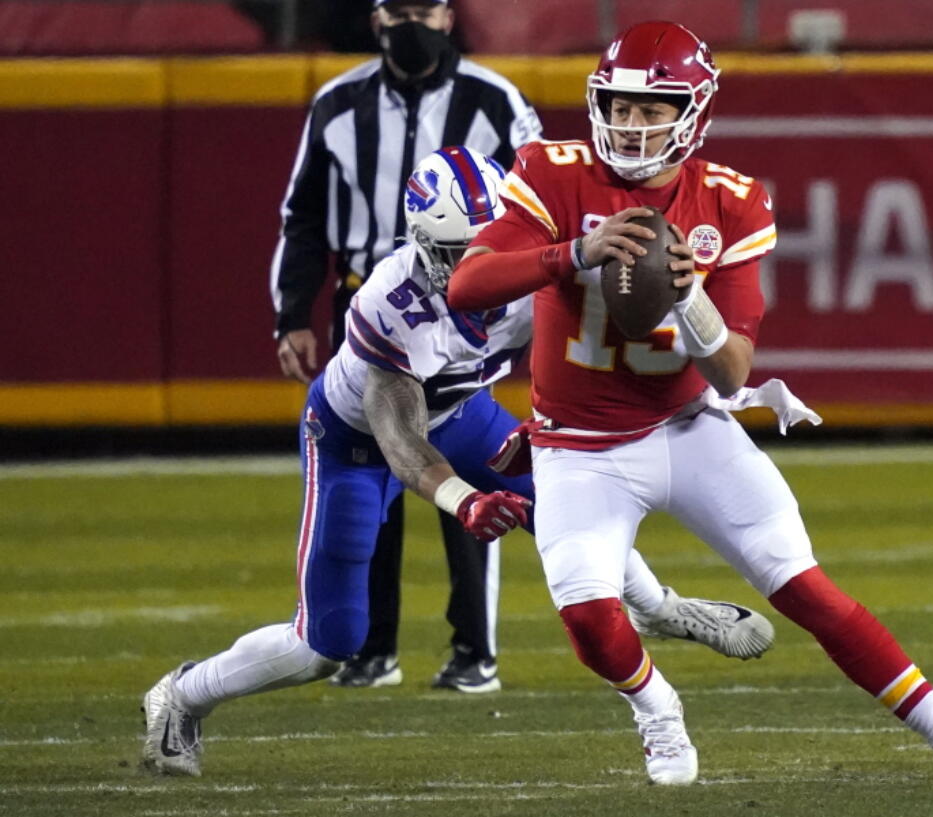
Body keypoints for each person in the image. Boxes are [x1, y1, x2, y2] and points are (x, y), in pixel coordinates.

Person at [447, 21, 933, 786]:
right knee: (589, 617)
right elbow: (468, 284)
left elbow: (730, 372)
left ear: (694, 114)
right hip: (578, 445)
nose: (630, 124)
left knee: (804, 587)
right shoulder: (554, 174)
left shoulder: (731, 202)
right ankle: (658, 709)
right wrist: (573, 253)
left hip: (688, 429)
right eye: (619, 106)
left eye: (652, 110)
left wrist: (689, 297)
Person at [142, 147, 777, 778]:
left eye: (490, 243)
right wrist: (464, 499)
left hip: (465, 411)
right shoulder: (391, 304)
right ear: (420, 241)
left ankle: (656, 608)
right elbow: (400, 442)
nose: (474, 264)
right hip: (356, 443)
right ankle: (182, 695)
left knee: (564, 501)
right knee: (328, 644)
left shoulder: (538, 259)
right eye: (455, 251)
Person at [270, 0, 544, 691]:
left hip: (470, 301)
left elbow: (542, 201)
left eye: (425, 8)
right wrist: (292, 312)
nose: (412, 23)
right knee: (376, 464)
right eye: (399, 8)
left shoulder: (495, 100)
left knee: (467, 466)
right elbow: (302, 214)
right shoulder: (337, 103)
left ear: (451, 17)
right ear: (375, 17)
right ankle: (372, 645)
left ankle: (473, 647)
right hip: (374, 298)